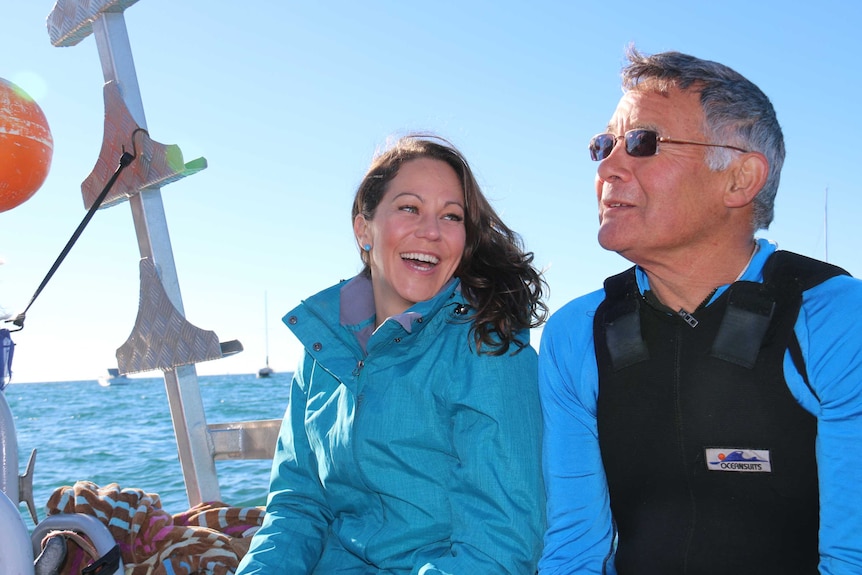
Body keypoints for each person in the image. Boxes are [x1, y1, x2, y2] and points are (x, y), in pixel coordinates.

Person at [538, 47, 862, 575]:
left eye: (643, 142)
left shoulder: (836, 319)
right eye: (604, 145)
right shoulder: (577, 333)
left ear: (739, 178)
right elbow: (573, 550)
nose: (609, 166)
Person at [237, 134, 548, 574]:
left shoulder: (489, 346)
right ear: (364, 228)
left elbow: (499, 546)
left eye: (451, 216)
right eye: (409, 208)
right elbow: (297, 505)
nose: (432, 231)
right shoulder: (323, 347)